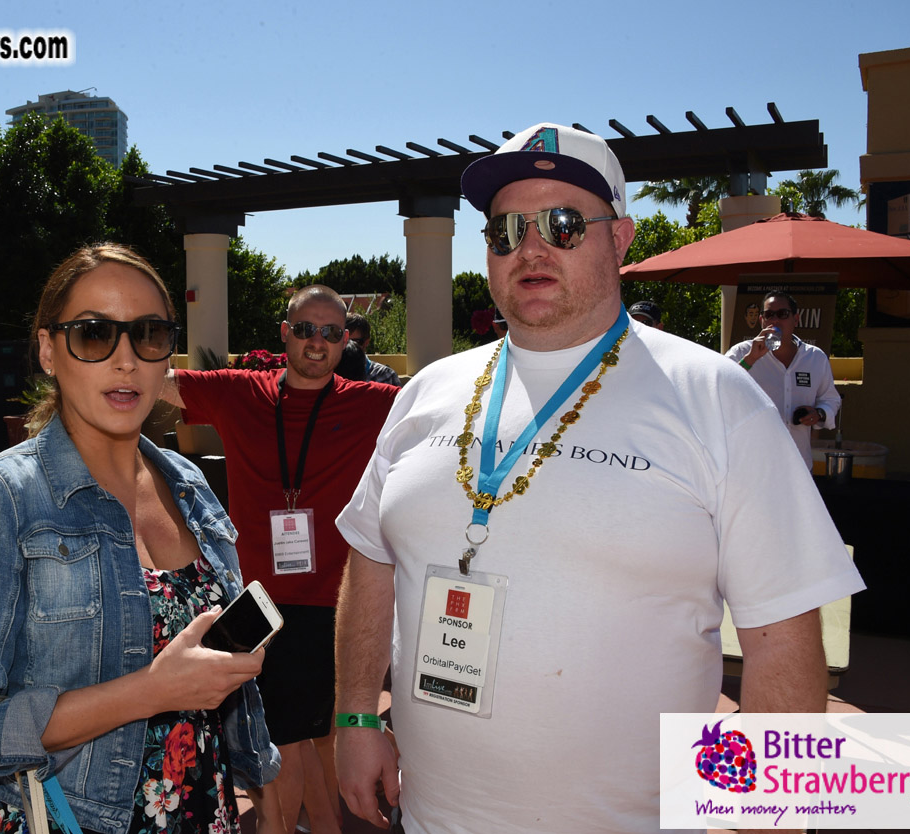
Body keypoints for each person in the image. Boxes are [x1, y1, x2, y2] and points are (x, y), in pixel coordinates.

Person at [333, 122, 865, 833]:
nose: (529, 248)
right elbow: (370, 560)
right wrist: (355, 713)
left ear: (618, 239)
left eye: (560, 224)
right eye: (504, 230)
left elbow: (782, 636)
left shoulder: (715, 397)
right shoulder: (424, 392)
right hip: (432, 817)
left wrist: (757, 819)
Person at [0, 243, 279, 833]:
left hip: (198, 809)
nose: (126, 360)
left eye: (149, 334)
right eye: (93, 335)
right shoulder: (0, 497)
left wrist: (263, 784)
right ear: (48, 351)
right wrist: (151, 691)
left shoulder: (185, 480)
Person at [161, 286, 399, 834]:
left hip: (325, 603)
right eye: (306, 329)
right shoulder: (240, 392)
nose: (318, 342)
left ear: (347, 340)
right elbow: (159, 382)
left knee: (294, 740)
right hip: (251, 599)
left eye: (332, 332)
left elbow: (450, 405)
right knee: (287, 739)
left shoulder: (370, 402)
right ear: (284, 332)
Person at [725, 291, 842, 470]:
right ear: (761, 320)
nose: (775, 321)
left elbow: (830, 399)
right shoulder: (742, 353)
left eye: (783, 314)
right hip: (752, 465)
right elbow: (721, 389)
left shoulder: (814, 358)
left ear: (796, 319)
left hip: (798, 465)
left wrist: (818, 414)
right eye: (769, 315)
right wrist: (751, 359)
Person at [344, 313, 401, 386]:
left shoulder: (385, 375)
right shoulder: (330, 374)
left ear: (366, 342)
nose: (348, 346)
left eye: (355, 342)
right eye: (344, 341)